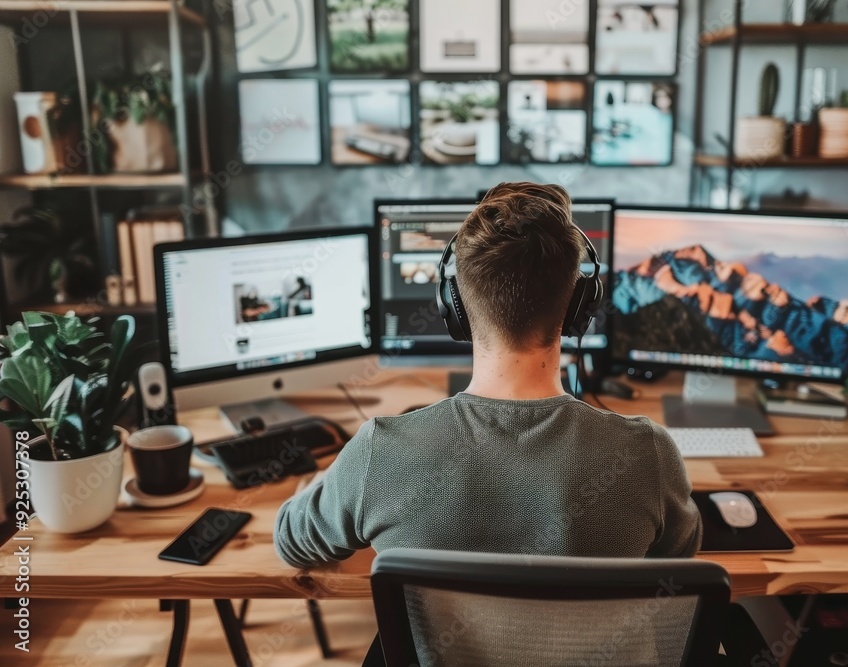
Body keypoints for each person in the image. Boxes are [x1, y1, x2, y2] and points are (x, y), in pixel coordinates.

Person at [273, 182, 702, 568]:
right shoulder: (648, 454)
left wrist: (331, 484)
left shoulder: (379, 453)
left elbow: (292, 545)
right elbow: (680, 556)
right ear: (578, 308)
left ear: (452, 305)